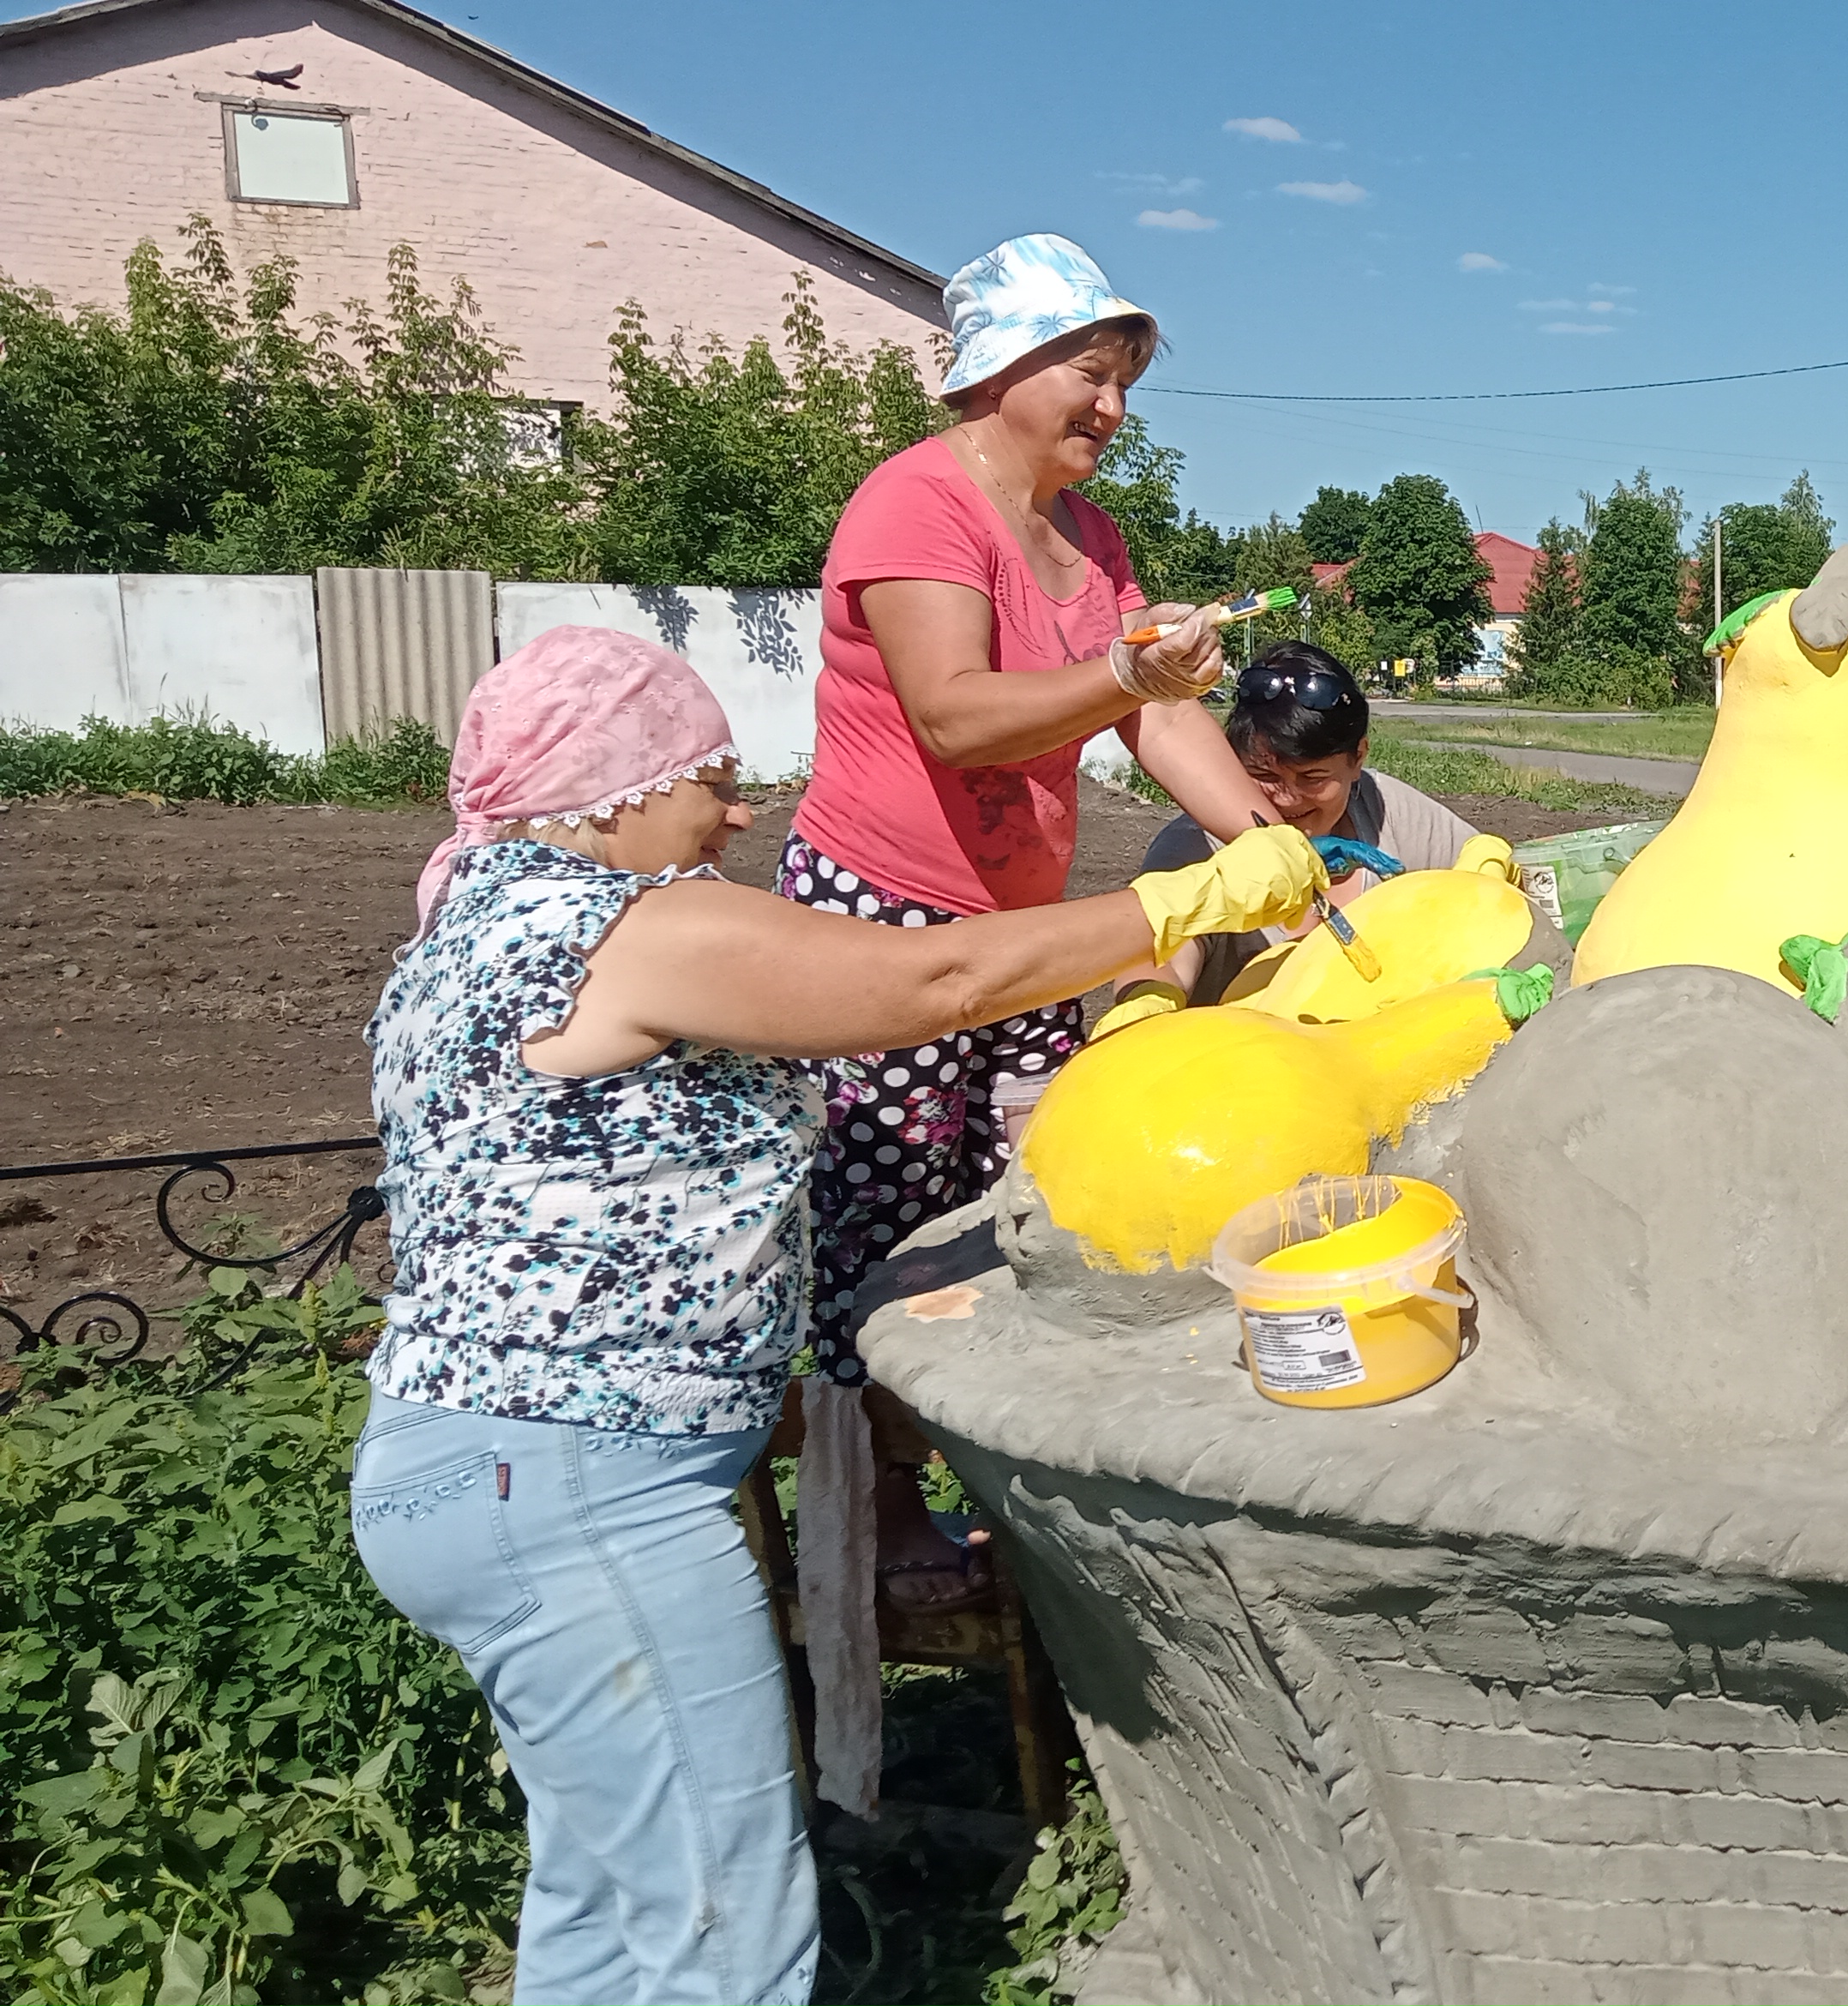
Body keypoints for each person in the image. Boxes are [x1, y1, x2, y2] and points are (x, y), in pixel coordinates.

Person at [348, 627, 1320, 2006]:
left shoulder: (465, 928)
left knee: (606, 1894)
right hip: (584, 1485)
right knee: (721, 1928)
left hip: (462, 1463)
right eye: (712, 778)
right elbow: (933, 985)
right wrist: (1192, 901)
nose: (740, 812)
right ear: (616, 789)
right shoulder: (627, 925)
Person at [788, 231, 1272, 1606]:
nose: (1113, 411)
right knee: (875, 1219)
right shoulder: (915, 503)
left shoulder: (1093, 538)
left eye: (1124, 383)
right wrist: (1121, 669)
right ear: (1001, 368)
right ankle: (869, 1525)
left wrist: (1275, 843)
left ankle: (975, 1489)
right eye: (1091, 375)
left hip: (1013, 932)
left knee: (993, 1219)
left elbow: (1157, 715)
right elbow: (955, 714)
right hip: (879, 921)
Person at [1137, 641, 1485, 1001]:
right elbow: (1158, 959)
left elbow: (1492, 889)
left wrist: (1488, 868)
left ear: (1358, 758)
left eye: (1313, 778)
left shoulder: (1385, 808)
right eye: (1263, 774)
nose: (1286, 798)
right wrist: (1149, 1000)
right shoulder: (1195, 845)